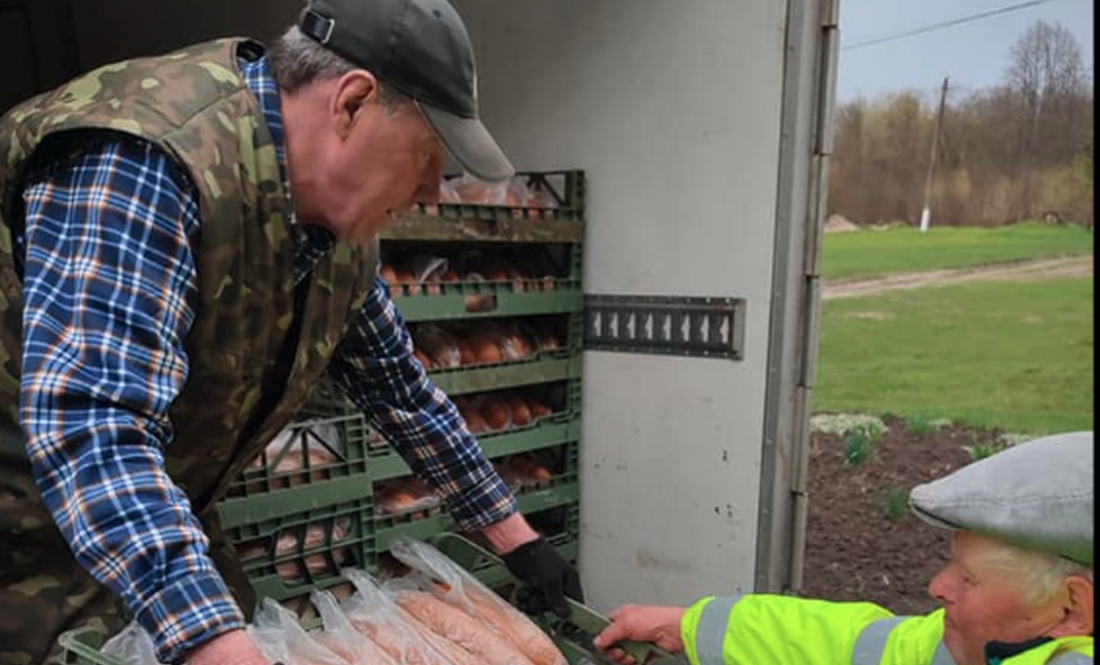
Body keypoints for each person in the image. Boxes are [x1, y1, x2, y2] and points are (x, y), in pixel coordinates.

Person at [0, 0, 581, 663]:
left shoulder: (334, 231)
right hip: (27, 532)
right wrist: (212, 641)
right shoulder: (146, 154)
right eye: (426, 154)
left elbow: (400, 393)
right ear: (352, 104)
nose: (429, 188)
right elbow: (91, 421)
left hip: (160, 513)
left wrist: (516, 538)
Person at [593, 431, 1094, 665]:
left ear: (1074, 606)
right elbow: (854, 644)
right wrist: (688, 626)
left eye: (969, 578)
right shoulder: (982, 649)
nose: (937, 586)